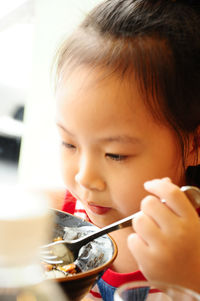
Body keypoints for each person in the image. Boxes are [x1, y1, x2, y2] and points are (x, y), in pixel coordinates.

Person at [54, 0, 200, 299]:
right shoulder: (71, 219)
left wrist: (189, 282)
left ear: (194, 145)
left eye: (116, 154)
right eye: (69, 143)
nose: (85, 178)